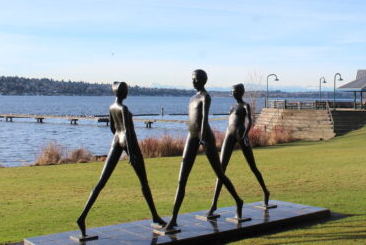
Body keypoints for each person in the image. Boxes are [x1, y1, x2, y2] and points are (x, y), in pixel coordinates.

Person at [76, 82, 166, 238]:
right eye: (126, 90)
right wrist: (131, 153)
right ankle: (155, 216)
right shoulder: (124, 109)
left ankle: (82, 217)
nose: (127, 93)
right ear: (123, 92)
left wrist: (119, 138)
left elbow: (113, 128)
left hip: (116, 140)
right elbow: (129, 131)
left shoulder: (112, 107)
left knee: (102, 181)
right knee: (143, 182)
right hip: (128, 142)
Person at [164, 70, 245, 230]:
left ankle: (238, 200)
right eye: (192, 79)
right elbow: (192, 121)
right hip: (191, 137)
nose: (192, 81)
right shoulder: (192, 98)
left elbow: (204, 119)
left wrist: (202, 139)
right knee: (182, 179)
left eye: (194, 79)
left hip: (205, 137)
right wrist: (192, 137)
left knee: (219, 174)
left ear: (201, 81)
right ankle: (173, 219)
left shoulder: (205, 97)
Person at [207, 83, 270, 217]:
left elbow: (250, 121)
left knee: (253, 167)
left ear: (240, 92)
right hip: (229, 135)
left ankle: (265, 191)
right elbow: (231, 122)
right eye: (231, 91)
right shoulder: (232, 107)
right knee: (220, 170)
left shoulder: (245, 106)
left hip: (241, 136)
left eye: (234, 91)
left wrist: (245, 134)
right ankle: (214, 204)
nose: (232, 93)